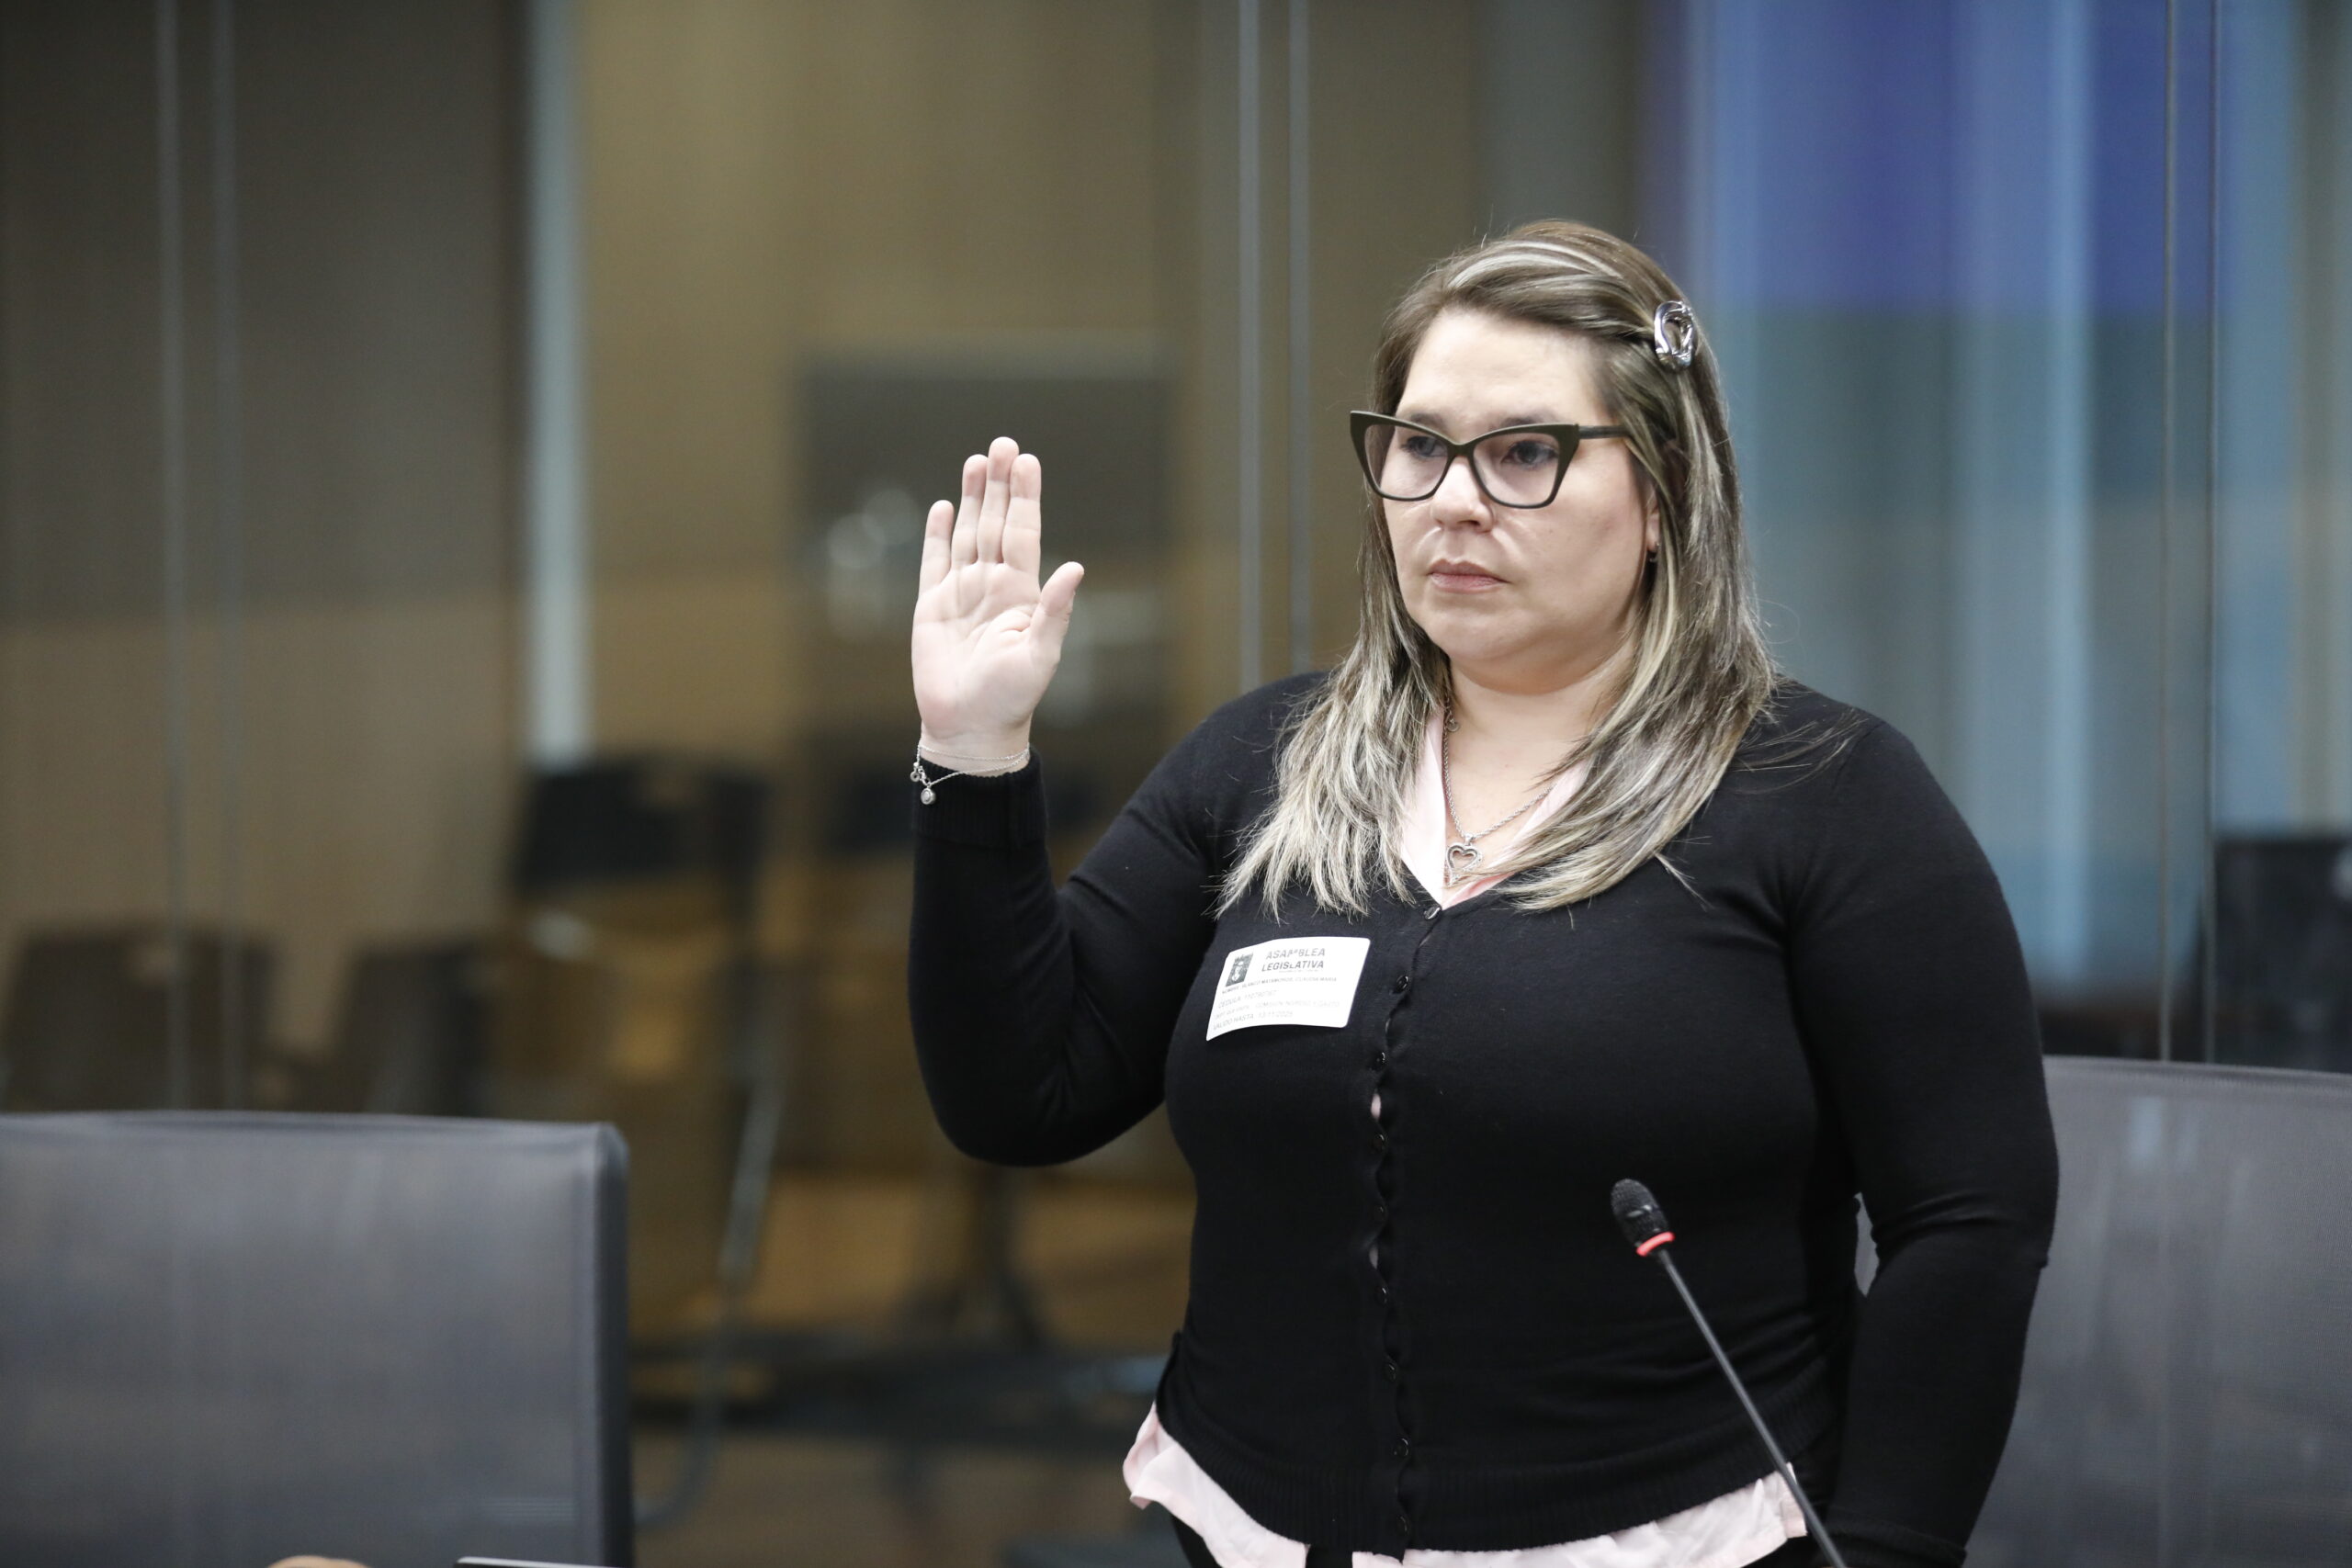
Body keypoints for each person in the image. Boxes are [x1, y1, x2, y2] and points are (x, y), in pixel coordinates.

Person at [904, 221, 2057, 1568]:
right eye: (1419, 447)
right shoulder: (1259, 763)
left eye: (1524, 454)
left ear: (1665, 494)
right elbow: (1023, 1095)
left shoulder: (1826, 794)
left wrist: (1892, 1549)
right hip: (1253, 1530)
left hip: (1680, 1537)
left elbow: (1969, 1223)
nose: (1453, 500)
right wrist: (972, 754)